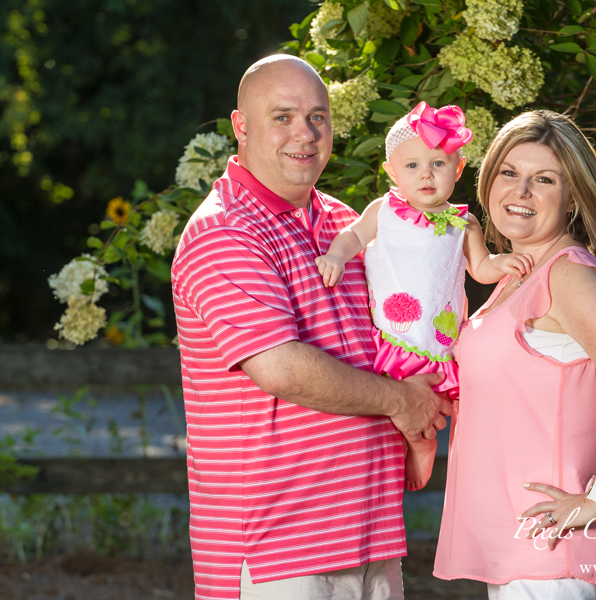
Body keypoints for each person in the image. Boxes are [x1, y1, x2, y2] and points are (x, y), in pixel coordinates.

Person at [170, 55, 451, 600]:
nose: (305, 133)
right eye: (282, 116)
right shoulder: (224, 232)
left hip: (370, 535)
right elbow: (281, 368)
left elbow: (408, 329)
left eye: (318, 117)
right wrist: (401, 401)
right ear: (241, 126)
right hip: (280, 552)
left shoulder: (346, 223)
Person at [433, 110, 596, 600]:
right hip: (522, 548)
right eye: (509, 173)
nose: (520, 192)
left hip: (554, 552)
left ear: (573, 198)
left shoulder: (568, 274)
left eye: (544, 180)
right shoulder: (516, 275)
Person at [314, 101, 532, 491]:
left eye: (438, 164)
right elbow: (352, 237)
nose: (426, 175)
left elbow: (479, 268)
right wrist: (335, 255)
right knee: (389, 406)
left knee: (429, 406)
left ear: (458, 169)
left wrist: (503, 264)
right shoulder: (384, 211)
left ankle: (423, 444)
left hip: (436, 340)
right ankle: (402, 448)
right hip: (390, 335)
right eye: (412, 166)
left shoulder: (462, 223)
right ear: (392, 172)